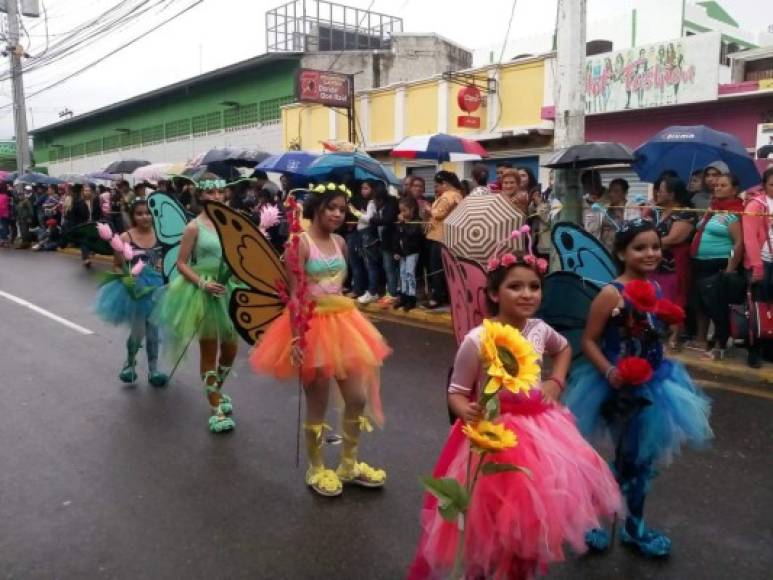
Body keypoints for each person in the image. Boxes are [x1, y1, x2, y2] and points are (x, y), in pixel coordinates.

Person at [408, 250, 622, 579]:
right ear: (494, 293)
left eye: (534, 287)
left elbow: (563, 348)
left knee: (532, 515)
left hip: (542, 432)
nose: (527, 294)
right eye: (515, 287)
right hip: (494, 434)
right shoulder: (478, 338)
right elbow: (456, 391)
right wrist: (466, 409)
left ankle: (518, 568)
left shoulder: (539, 328)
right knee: (491, 518)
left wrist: (556, 380)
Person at [565, 218, 713, 558]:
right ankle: (593, 521)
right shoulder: (611, 293)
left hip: (656, 383)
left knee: (642, 461)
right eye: (640, 247)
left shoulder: (657, 288)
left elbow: (651, 330)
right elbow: (589, 340)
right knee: (626, 460)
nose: (650, 253)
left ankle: (634, 528)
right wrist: (609, 370)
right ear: (621, 252)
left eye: (655, 247)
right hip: (618, 387)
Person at [250, 184, 391, 497]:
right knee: (318, 403)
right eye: (332, 207)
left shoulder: (340, 242)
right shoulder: (298, 243)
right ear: (316, 207)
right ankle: (316, 467)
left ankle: (348, 464)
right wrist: (298, 339)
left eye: (342, 209)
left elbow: (340, 287)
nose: (338, 214)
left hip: (344, 324)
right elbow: (295, 296)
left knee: (356, 398)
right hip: (311, 327)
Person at [153, 187, 240, 433]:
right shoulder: (194, 227)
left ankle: (216, 390)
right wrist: (202, 283)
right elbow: (181, 263)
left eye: (220, 192)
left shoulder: (229, 223)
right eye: (210, 192)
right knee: (209, 350)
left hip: (228, 289)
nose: (215, 196)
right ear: (201, 196)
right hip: (203, 293)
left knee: (231, 348)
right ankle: (215, 407)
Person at [94, 200, 168, 387]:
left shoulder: (162, 235)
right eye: (140, 213)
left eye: (148, 213)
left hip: (158, 289)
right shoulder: (125, 238)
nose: (145, 217)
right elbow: (118, 265)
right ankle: (130, 363)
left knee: (153, 331)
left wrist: (163, 268)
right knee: (138, 330)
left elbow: (170, 261)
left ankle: (153, 369)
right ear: (133, 216)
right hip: (135, 290)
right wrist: (126, 279)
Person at [689, 173, 744, 360]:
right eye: (716, 185)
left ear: (734, 190)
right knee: (700, 304)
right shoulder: (713, 208)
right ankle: (701, 339)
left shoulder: (735, 213)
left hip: (718, 264)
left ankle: (720, 345)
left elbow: (738, 244)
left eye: (723, 185)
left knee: (717, 306)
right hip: (699, 262)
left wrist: (730, 269)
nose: (717, 187)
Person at [650, 177, 696, 323]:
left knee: (674, 300)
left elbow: (674, 239)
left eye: (661, 191)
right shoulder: (660, 212)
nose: (657, 193)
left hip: (673, 266)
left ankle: (675, 336)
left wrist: (647, 246)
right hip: (657, 265)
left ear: (672, 194)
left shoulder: (685, 213)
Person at [742, 167, 773, 367]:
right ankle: (753, 351)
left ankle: (769, 351)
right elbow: (749, 238)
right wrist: (757, 267)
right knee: (756, 309)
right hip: (763, 263)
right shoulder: (756, 205)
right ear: (764, 185)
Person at [425, 171, 464, 309]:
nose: (436, 188)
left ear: (445, 184)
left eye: (437, 185)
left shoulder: (448, 196)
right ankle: (448, 296)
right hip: (450, 237)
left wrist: (429, 209)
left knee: (437, 269)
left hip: (440, 237)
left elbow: (439, 213)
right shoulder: (458, 195)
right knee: (448, 269)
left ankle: (437, 298)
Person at [368, 180, 400, 306]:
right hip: (383, 239)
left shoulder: (391, 202)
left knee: (390, 268)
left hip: (391, 241)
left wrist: (373, 220)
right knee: (387, 268)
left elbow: (388, 220)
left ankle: (392, 294)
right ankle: (390, 292)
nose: (374, 201)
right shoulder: (380, 204)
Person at [393, 196, 423, 311]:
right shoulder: (401, 223)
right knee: (403, 274)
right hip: (402, 252)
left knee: (410, 273)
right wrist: (396, 251)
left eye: (404, 210)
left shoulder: (417, 221)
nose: (402, 213)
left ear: (412, 209)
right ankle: (404, 296)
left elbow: (412, 235)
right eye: (401, 211)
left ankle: (411, 297)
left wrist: (404, 224)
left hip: (412, 252)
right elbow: (397, 237)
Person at [355, 180, 383, 305]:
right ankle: (371, 290)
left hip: (368, 234)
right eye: (361, 188)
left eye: (366, 188)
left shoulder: (372, 202)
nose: (363, 191)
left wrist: (355, 212)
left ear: (372, 189)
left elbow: (369, 219)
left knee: (371, 264)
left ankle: (372, 292)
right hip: (364, 234)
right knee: (368, 264)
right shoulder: (368, 202)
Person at [67, 183, 101, 268]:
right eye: (85, 191)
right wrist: (73, 227)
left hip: (93, 225)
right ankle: (86, 258)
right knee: (84, 241)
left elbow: (98, 213)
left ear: (92, 192)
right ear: (83, 192)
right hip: (82, 225)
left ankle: (90, 252)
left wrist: (99, 222)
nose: (87, 192)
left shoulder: (95, 201)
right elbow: (73, 215)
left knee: (92, 240)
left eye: (89, 191)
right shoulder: (78, 202)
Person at [581, 169, 607, 240]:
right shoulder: (582, 204)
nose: (594, 185)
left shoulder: (611, 198)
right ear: (584, 186)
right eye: (589, 183)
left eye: (596, 181)